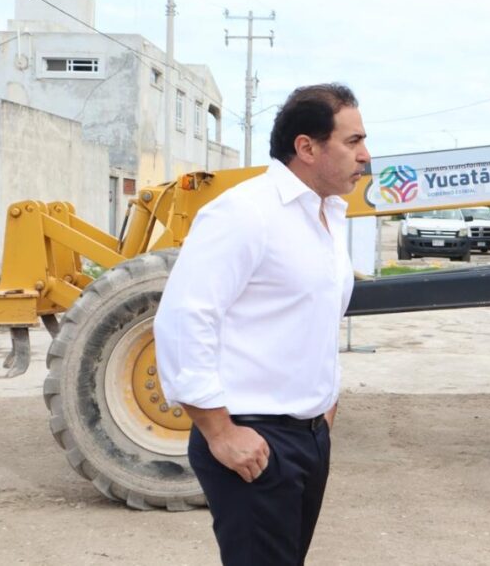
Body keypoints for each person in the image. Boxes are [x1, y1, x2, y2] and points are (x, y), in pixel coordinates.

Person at [154, 83, 369, 565]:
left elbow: (312, 320)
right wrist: (220, 432)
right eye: (352, 141)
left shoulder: (327, 215)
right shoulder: (245, 212)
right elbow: (185, 318)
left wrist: (323, 410)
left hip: (307, 437)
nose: (365, 155)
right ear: (306, 147)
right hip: (252, 438)